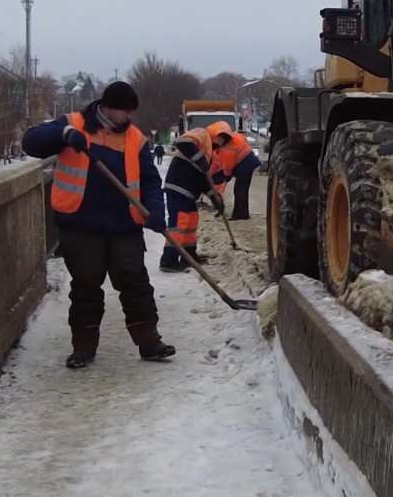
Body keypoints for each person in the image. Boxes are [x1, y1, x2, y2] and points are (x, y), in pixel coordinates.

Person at [21, 81, 174, 369]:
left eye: (129, 112)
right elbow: (31, 142)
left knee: (135, 283)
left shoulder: (135, 139)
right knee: (86, 286)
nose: (126, 118)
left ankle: (150, 342)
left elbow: (151, 180)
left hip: (124, 225)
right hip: (80, 224)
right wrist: (64, 136)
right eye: (122, 111)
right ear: (106, 107)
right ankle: (83, 347)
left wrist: (155, 210)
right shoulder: (73, 124)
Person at [158, 127, 221, 272]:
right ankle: (168, 260)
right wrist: (200, 160)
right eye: (220, 137)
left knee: (191, 220)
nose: (221, 142)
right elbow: (183, 142)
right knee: (179, 223)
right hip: (178, 186)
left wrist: (215, 198)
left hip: (189, 192)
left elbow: (204, 180)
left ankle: (188, 256)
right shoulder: (202, 135)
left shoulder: (210, 152)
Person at [206, 121, 261, 221]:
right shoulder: (235, 136)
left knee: (240, 189)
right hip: (249, 161)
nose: (218, 141)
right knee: (242, 189)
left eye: (220, 139)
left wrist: (226, 177)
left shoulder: (227, 149)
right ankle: (243, 213)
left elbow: (228, 167)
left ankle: (240, 214)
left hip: (246, 164)